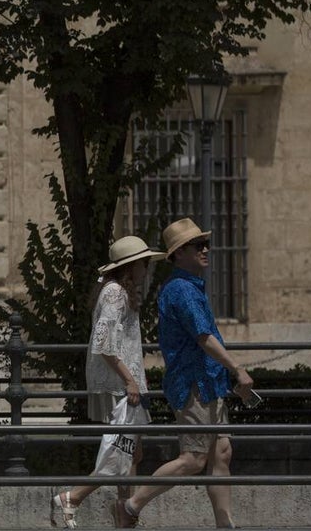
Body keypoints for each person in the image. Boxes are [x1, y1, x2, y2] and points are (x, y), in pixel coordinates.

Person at [112, 218, 254, 529]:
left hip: (208, 382)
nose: (206, 250)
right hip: (194, 384)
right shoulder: (181, 290)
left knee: (221, 454)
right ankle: (131, 505)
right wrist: (237, 369)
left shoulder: (189, 287)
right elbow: (203, 337)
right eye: (197, 245)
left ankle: (225, 524)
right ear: (178, 253)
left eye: (206, 244)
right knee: (193, 458)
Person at [51, 235, 165, 529]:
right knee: (122, 451)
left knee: (131, 452)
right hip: (121, 385)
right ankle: (73, 497)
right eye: (144, 263)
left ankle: (123, 514)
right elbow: (104, 344)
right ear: (131, 266)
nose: (147, 268)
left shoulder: (117, 291)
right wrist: (130, 381)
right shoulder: (115, 293)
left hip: (125, 383)